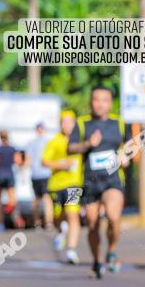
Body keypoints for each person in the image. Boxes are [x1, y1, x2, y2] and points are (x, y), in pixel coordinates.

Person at [67, 86, 130, 278]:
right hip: (90, 182)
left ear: (110, 103)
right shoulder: (82, 123)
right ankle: (96, 261)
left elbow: (130, 146)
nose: (100, 104)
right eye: (96, 99)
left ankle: (111, 250)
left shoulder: (119, 123)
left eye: (104, 100)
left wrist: (126, 156)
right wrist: (88, 144)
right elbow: (70, 148)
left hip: (112, 180)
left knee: (113, 216)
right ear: (91, 102)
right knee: (93, 223)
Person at [40, 110, 83, 264]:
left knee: (73, 215)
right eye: (64, 122)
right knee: (59, 216)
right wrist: (61, 164)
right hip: (57, 185)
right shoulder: (55, 141)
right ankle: (62, 231)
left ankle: (71, 250)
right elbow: (43, 161)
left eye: (70, 121)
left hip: (74, 184)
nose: (67, 125)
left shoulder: (80, 140)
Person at [0, 129, 23, 231]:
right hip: (9, 175)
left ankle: (0, 224)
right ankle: (15, 218)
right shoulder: (12, 149)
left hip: (0, 175)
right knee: (12, 200)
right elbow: (18, 161)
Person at [24, 122, 53, 230]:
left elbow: (28, 159)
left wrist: (23, 171)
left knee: (40, 198)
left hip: (40, 173)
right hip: (43, 173)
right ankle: (45, 223)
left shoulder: (33, 143)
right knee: (44, 198)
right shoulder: (47, 142)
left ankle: (40, 223)